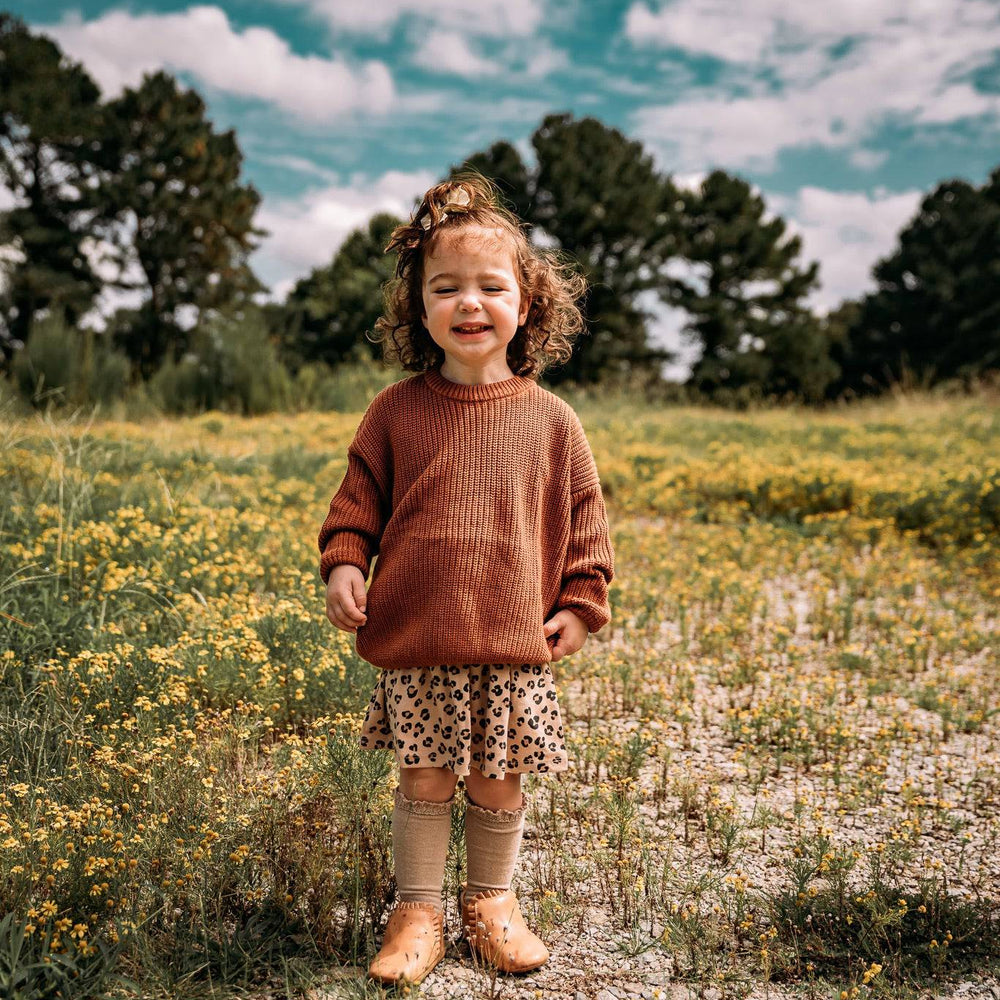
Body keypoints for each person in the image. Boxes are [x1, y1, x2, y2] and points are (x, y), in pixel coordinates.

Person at [317, 174, 615, 987]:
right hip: (420, 637)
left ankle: (491, 904)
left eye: (492, 286)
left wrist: (582, 608)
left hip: (513, 643)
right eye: (445, 288)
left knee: (496, 778)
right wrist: (345, 563)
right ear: (420, 308)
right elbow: (356, 505)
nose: (469, 303)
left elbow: (586, 525)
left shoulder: (553, 421)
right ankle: (417, 911)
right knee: (424, 777)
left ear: (529, 305)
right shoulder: (395, 412)